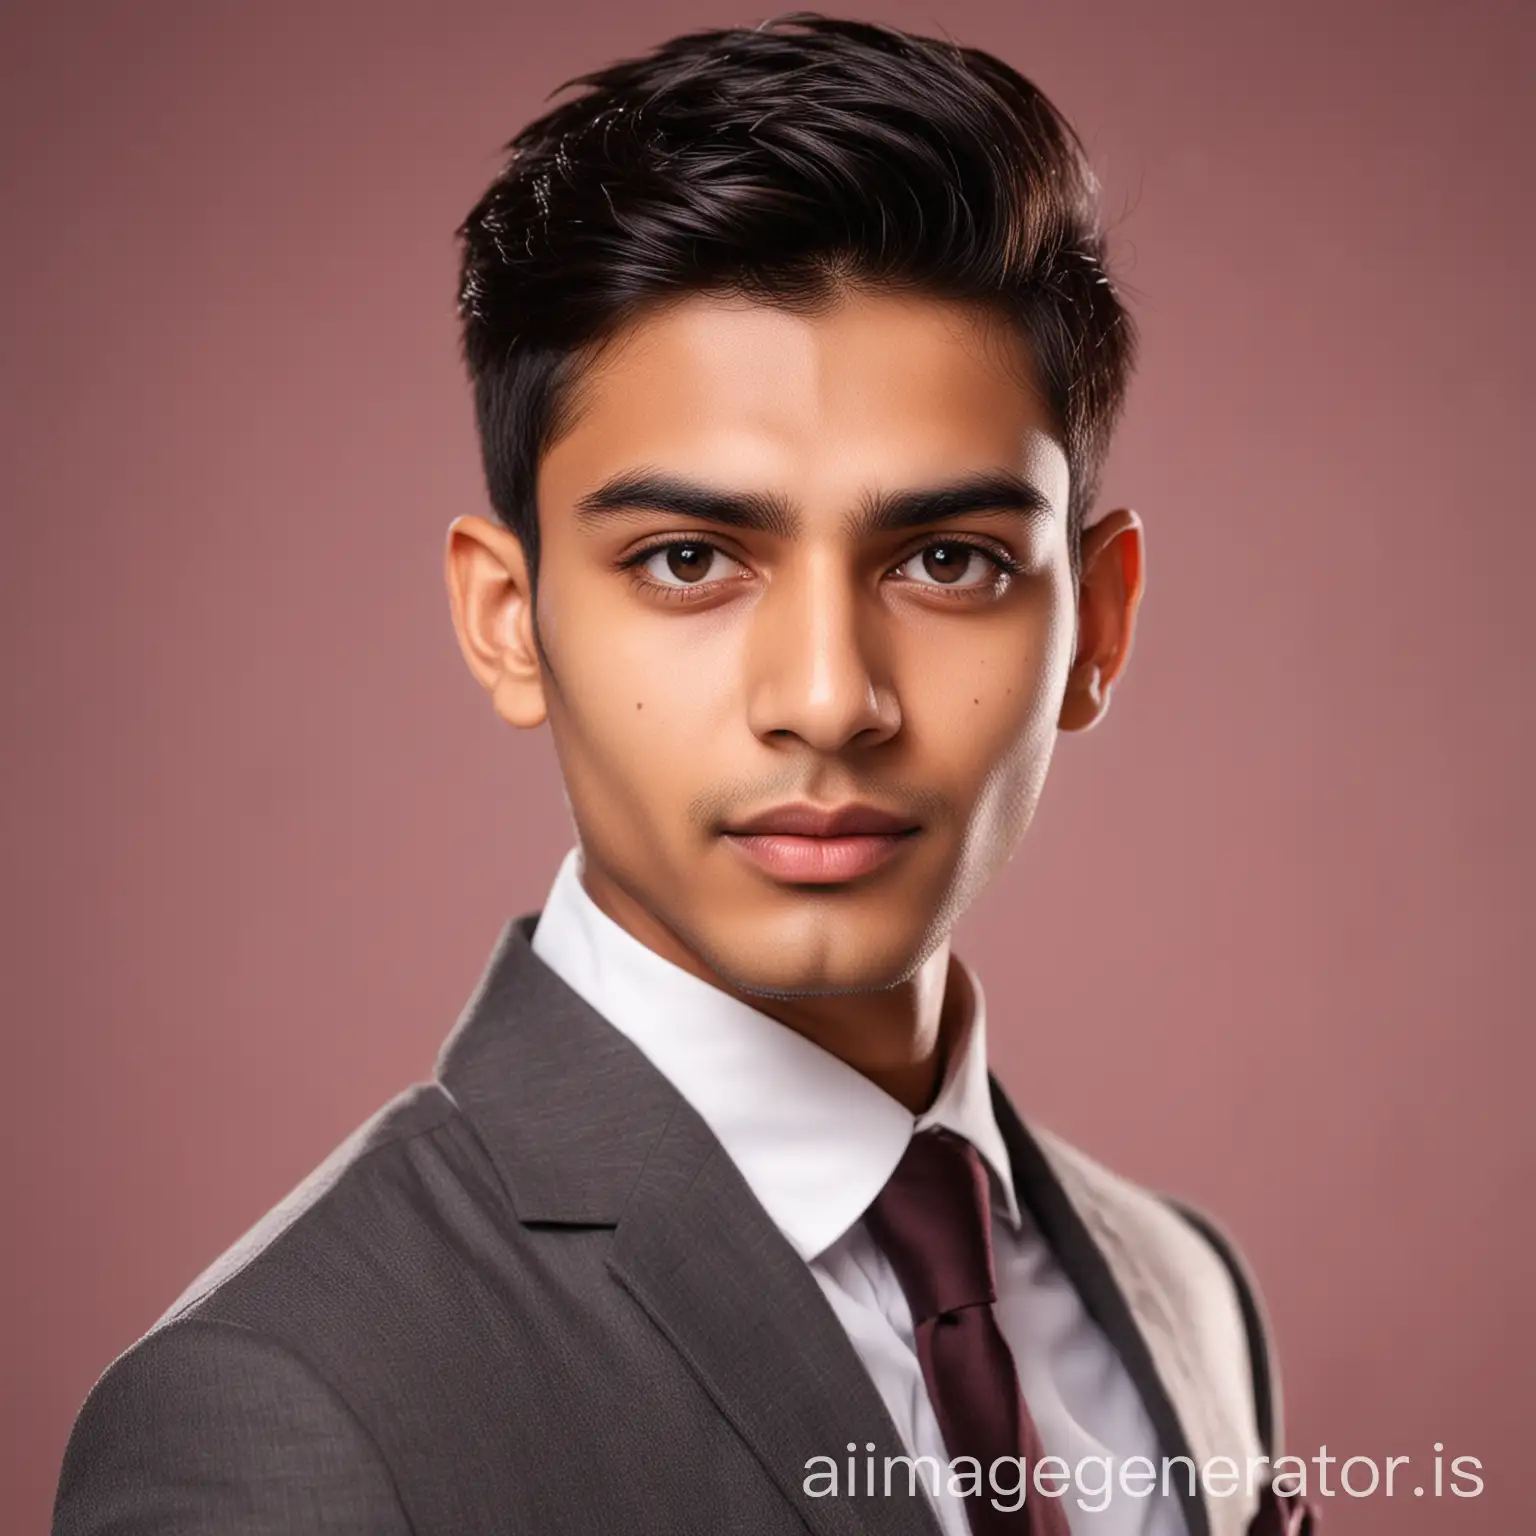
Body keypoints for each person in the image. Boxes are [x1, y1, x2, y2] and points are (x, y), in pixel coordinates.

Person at [53, 15, 1310, 1536]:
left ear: (1096, 625)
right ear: (510, 624)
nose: (831, 701)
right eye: (691, 559)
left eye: (949, 559)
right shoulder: (286, 1404)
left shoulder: (1188, 1298)